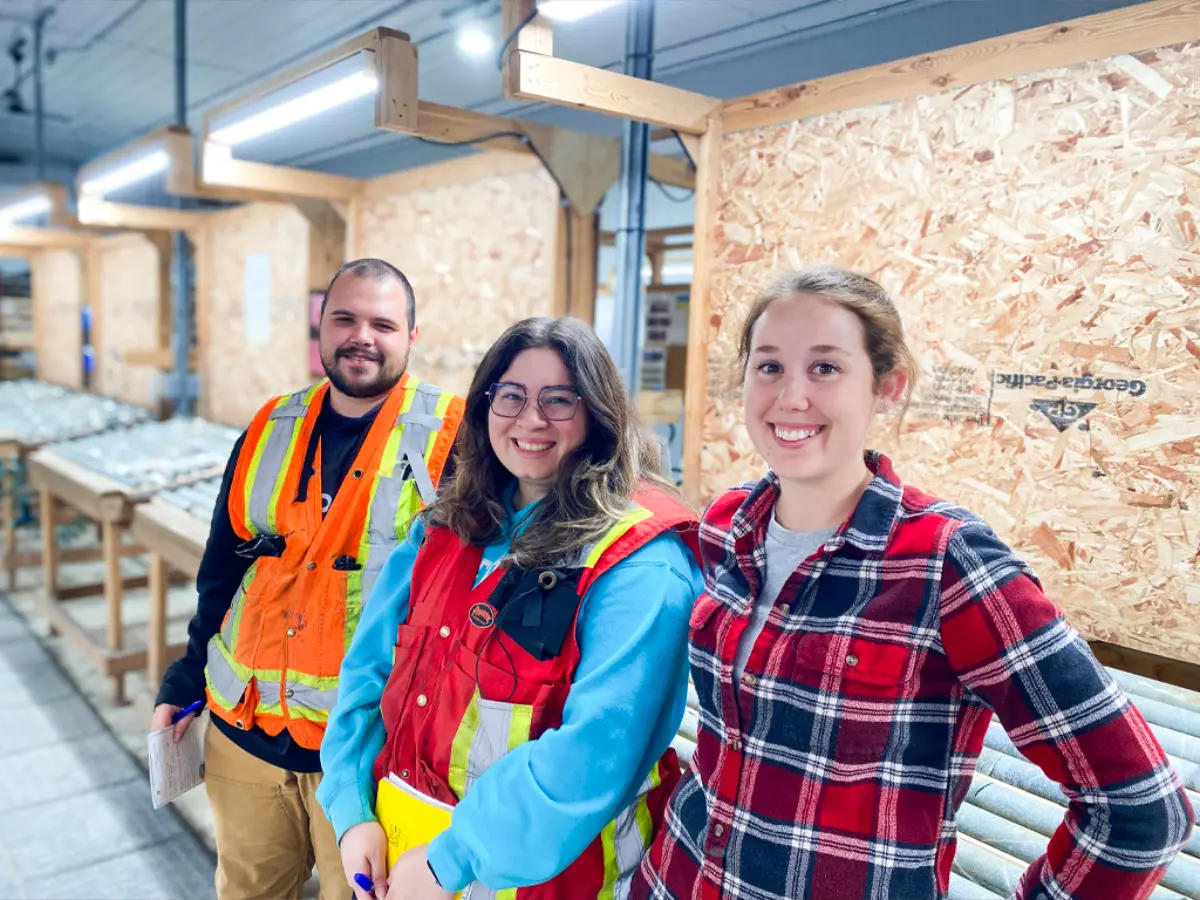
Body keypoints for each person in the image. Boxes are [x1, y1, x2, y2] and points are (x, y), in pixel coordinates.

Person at [634, 265, 1195, 900]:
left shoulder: (948, 564)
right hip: (677, 880)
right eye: (769, 367)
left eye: (825, 368)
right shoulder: (726, 526)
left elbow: (1142, 809)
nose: (791, 397)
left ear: (887, 387)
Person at [317, 316, 704, 900]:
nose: (531, 419)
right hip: (406, 860)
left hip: (547, 884)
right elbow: (367, 675)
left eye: (558, 400)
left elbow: (591, 754)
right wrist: (351, 807)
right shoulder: (445, 531)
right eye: (511, 396)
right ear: (484, 408)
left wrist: (450, 861)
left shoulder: (641, 564)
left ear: (598, 413)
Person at [151, 258, 465, 900]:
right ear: (321, 327)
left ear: (412, 336)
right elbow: (222, 573)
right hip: (246, 736)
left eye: (383, 323)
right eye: (345, 318)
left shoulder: (454, 441)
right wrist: (183, 680)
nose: (362, 337)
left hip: (369, 755)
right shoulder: (270, 426)